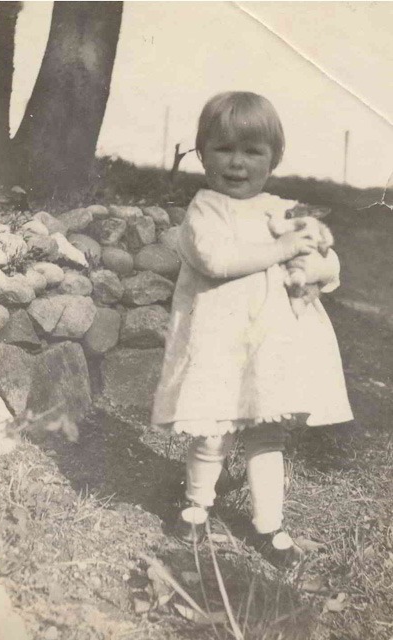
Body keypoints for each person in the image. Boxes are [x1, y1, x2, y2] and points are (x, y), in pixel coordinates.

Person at [151, 91, 353, 569]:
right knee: (213, 428)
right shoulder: (205, 209)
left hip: (269, 346)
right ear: (203, 155)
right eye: (223, 149)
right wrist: (283, 251)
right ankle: (196, 508)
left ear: (274, 158)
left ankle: (270, 527)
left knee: (267, 434)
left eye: (252, 151)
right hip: (218, 341)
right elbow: (216, 260)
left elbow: (326, 260)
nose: (237, 163)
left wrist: (314, 266)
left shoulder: (281, 210)